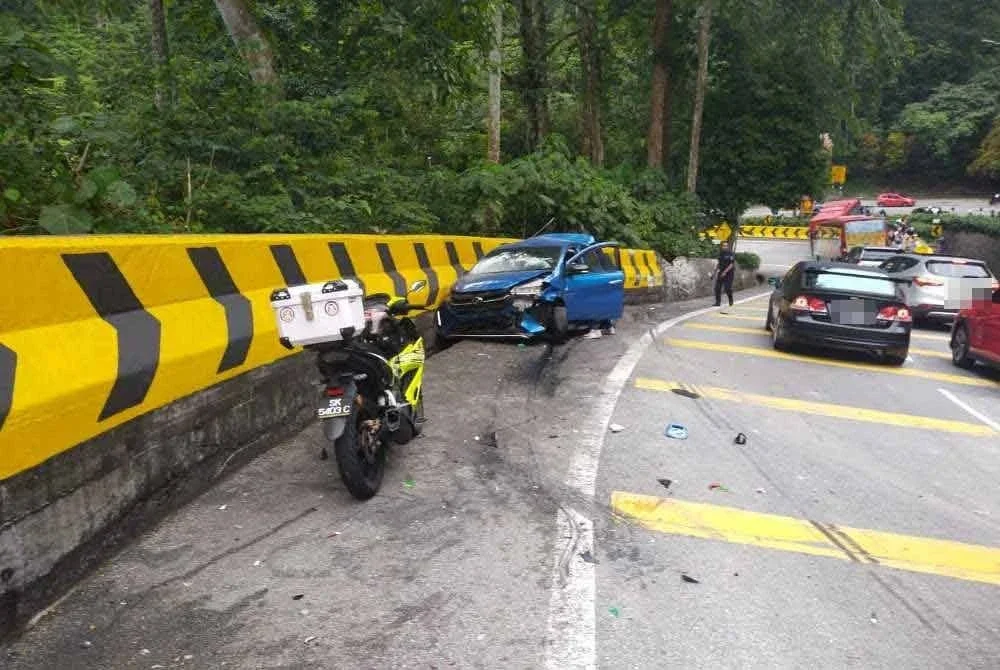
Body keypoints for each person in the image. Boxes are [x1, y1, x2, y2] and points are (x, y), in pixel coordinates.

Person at [713, 241, 736, 307]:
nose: (725, 247)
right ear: (721, 246)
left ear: (728, 247)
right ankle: (718, 302)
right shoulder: (720, 253)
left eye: (726, 246)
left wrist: (725, 272)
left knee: (727, 288)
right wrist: (714, 273)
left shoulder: (731, 254)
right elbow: (719, 264)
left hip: (729, 273)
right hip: (721, 272)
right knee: (717, 288)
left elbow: (731, 264)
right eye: (723, 246)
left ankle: (730, 299)